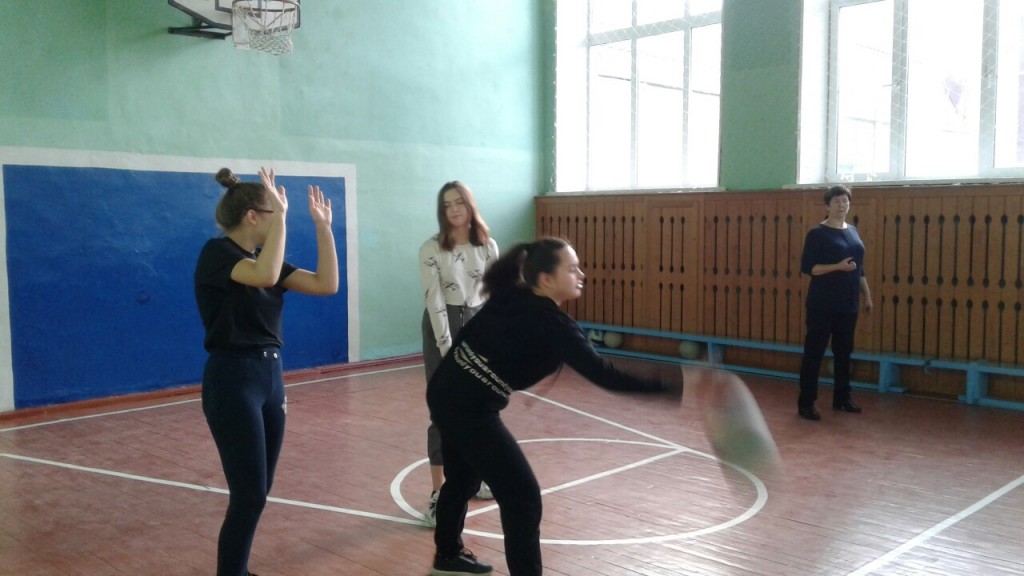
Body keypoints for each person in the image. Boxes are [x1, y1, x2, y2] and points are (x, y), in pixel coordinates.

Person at [425, 237, 680, 576]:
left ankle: (447, 556)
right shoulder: (554, 325)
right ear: (545, 279)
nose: (582, 275)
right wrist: (671, 386)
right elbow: (605, 375)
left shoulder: (514, 295)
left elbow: (465, 338)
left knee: (462, 479)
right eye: (572, 269)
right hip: (467, 407)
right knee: (523, 498)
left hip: (445, 390)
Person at [194, 167, 338, 576]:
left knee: (259, 491)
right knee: (249, 494)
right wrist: (284, 217)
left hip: (270, 379)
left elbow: (326, 283)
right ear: (252, 216)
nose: (279, 220)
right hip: (232, 379)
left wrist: (323, 228)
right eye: (273, 213)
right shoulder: (217, 254)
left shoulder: (265, 259)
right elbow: (265, 276)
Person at [419, 180, 499, 527]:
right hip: (444, 324)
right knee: (444, 410)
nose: (453, 209)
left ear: (470, 206)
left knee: (479, 408)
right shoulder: (431, 248)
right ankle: (439, 493)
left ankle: (475, 477)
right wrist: (448, 348)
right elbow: (434, 299)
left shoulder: (488, 246)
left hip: (478, 322)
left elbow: (494, 295)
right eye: (447, 204)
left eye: (459, 202)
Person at [796, 185, 873, 421]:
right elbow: (809, 268)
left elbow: (859, 269)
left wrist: (867, 295)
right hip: (822, 303)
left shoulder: (853, 231)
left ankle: (842, 398)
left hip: (848, 303)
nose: (842, 205)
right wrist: (837, 267)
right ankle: (806, 402)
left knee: (844, 352)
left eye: (845, 201)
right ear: (827, 206)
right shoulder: (817, 234)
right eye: (837, 201)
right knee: (814, 353)